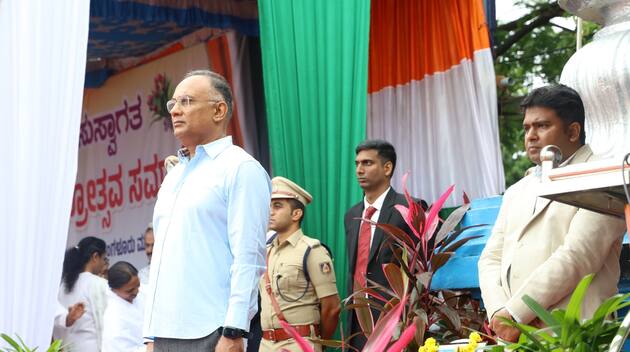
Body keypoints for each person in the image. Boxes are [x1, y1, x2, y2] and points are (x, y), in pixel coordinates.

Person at [478, 84, 627, 342]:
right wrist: (499, 314)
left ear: (573, 131)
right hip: (516, 335)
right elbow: (490, 258)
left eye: (542, 126)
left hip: (576, 336)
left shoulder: (604, 178)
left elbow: (578, 256)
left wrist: (517, 314)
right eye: (527, 128)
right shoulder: (517, 190)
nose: (531, 136)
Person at [144, 69, 271, 352]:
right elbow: (162, 260)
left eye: (187, 101)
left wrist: (234, 330)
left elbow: (248, 256)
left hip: (213, 331)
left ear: (219, 110)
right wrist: (150, 334)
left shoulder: (240, 168)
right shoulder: (173, 177)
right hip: (165, 333)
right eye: (173, 104)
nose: (175, 110)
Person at [344, 139, 426, 350]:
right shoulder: (352, 215)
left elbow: (423, 269)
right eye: (357, 163)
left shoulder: (409, 207)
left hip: (395, 320)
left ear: (387, 167)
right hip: (357, 321)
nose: (359, 169)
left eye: (367, 163)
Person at [260, 177, 341, 352]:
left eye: (278, 206)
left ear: (296, 214)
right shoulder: (266, 251)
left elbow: (332, 307)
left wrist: (319, 343)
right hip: (266, 344)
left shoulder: (312, 250)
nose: (270, 211)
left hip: (299, 344)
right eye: (269, 205)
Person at [55, 236, 109, 352]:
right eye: (103, 259)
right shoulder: (99, 284)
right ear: (95, 257)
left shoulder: (62, 286)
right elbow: (108, 324)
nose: (103, 264)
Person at [102, 261, 147, 352]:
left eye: (138, 286)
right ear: (114, 289)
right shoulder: (112, 315)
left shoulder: (143, 291)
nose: (136, 292)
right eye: (130, 290)